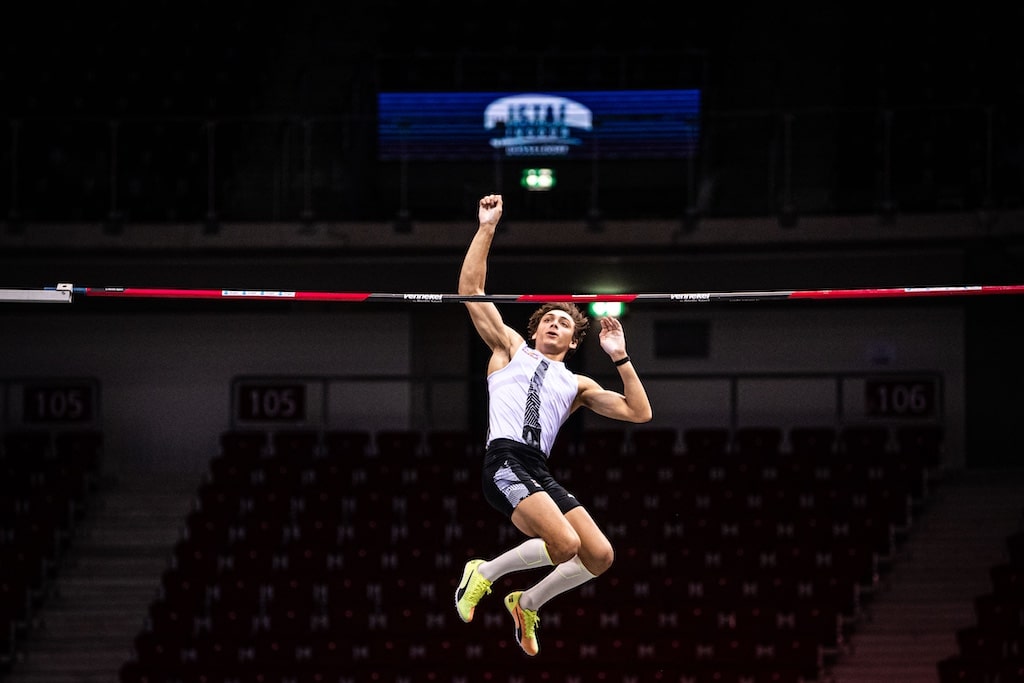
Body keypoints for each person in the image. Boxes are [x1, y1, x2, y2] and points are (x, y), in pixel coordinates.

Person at [454, 193, 653, 656]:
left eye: (563, 322)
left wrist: (620, 357)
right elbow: (471, 289)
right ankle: (481, 573)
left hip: (538, 470)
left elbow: (639, 412)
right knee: (564, 544)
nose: (553, 324)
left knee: (599, 556)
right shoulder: (508, 349)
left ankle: (526, 603)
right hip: (504, 460)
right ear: (535, 327)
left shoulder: (578, 384)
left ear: (574, 337)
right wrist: (487, 227)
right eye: (547, 318)